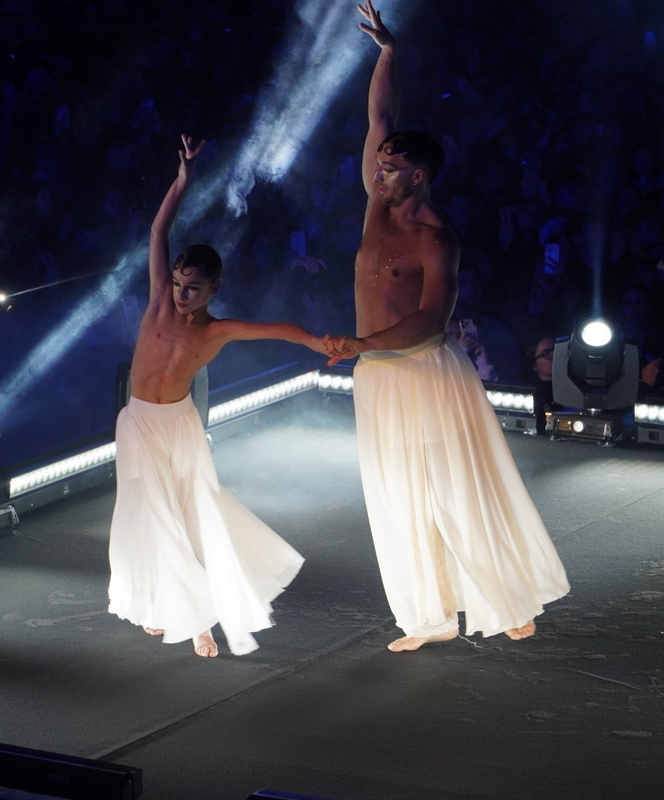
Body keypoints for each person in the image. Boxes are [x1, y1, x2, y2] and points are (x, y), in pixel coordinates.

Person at [325, 2, 569, 652]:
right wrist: (387, 53)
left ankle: (506, 598)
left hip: (425, 370)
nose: (379, 168)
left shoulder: (438, 238)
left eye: (393, 164)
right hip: (375, 376)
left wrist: (362, 344)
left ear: (420, 175)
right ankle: (426, 618)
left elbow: (431, 319)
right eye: (380, 162)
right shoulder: (375, 205)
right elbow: (381, 116)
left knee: (456, 489)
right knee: (395, 498)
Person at [108, 136, 321, 658]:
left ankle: (198, 614)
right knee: (147, 514)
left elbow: (276, 329)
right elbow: (159, 230)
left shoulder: (216, 331)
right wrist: (183, 180)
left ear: (213, 289)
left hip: (179, 427)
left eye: (192, 288)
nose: (181, 293)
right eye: (179, 283)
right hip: (137, 423)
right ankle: (170, 605)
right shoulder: (159, 299)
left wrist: (321, 343)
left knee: (190, 514)